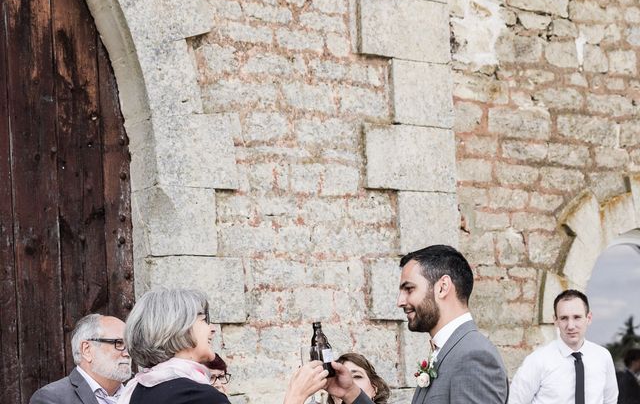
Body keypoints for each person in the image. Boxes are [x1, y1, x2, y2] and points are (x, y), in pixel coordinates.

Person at [326, 245, 509, 404]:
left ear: (442, 287)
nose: (400, 301)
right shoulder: (449, 350)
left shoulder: (473, 356)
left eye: (409, 289)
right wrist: (350, 393)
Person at [119, 287, 327, 404]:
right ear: (178, 329)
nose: (212, 329)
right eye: (203, 321)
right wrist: (296, 396)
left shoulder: (139, 391)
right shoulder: (195, 397)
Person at [509, 289, 618, 404]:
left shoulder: (603, 357)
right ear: (555, 321)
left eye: (577, 317)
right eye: (564, 318)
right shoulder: (537, 360)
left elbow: (610, 400)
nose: (570, 326)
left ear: (588, 318)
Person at [29, 314, 131, 404]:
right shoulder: (51, 398)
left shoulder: (138, 393)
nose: (128, 353)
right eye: (119, 343)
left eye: (130, 345)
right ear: (87, 350)